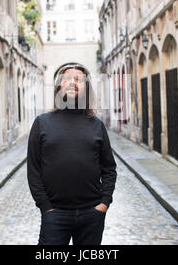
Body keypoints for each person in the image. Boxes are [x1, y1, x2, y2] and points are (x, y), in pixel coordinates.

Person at [27, 63, 117, 245]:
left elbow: (109, 168)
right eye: (67, 79)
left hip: (92, 213)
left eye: (79, 80)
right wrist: (45, 207)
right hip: (55, 214)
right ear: (59, 86)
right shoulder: (41, 123)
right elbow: (33, 170)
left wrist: (104, 203)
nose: (72, 83)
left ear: (86, 88)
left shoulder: (96, 125)